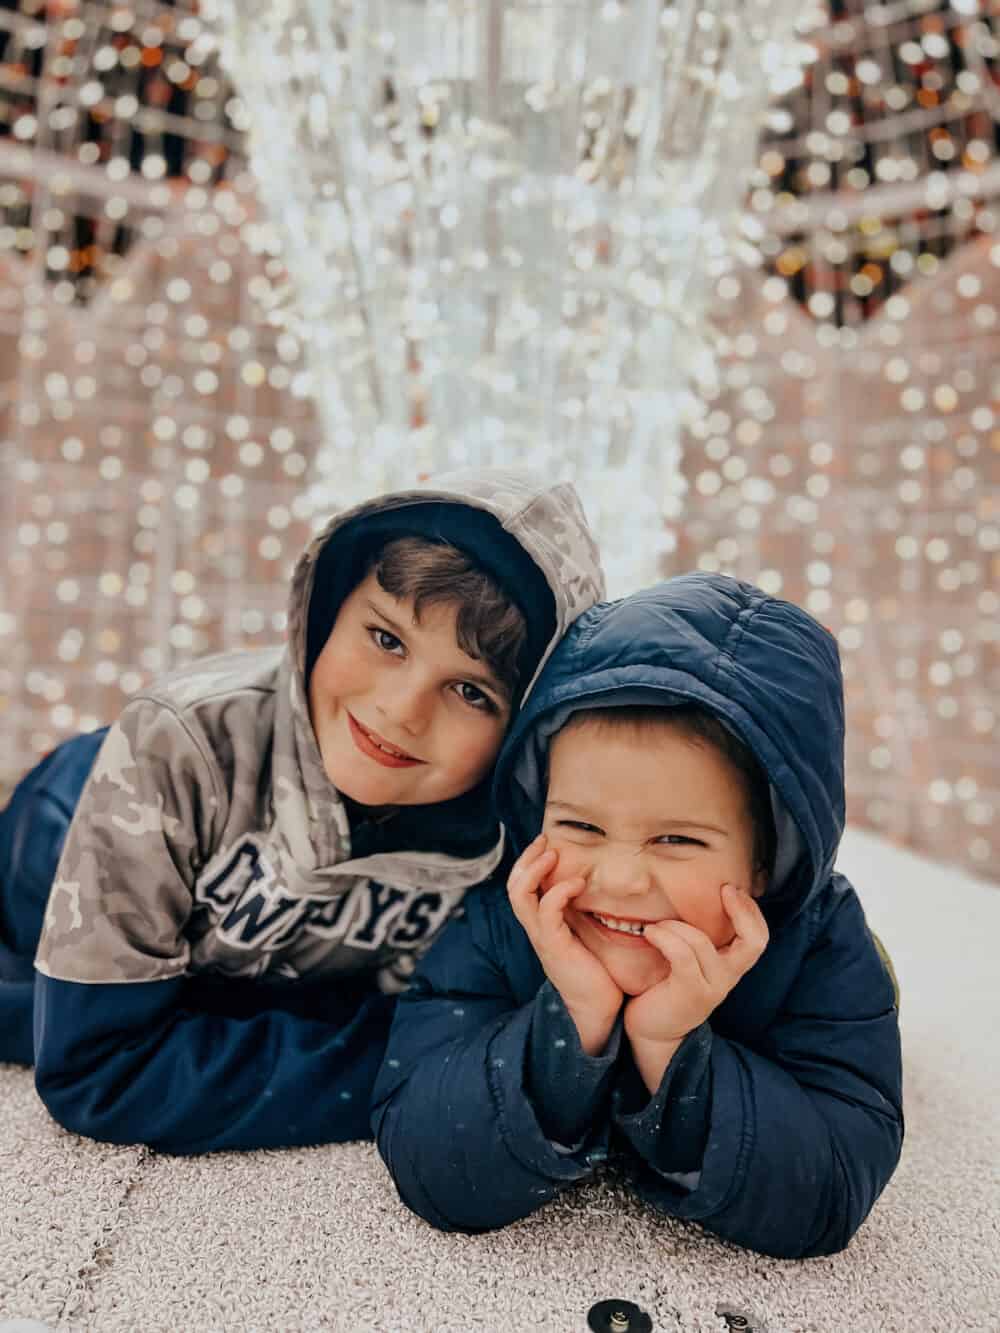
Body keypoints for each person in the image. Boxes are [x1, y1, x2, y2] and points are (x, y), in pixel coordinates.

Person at [0, 468, 605, 1153]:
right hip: (68, 817)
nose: (400, 710)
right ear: (327, 610)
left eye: (470, 690)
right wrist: (404, 1061)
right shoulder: (178, 740)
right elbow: (95, 1068)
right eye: (386, 638)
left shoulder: (506, 841)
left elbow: (485, 1028)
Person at [372, 572, 904, 1258]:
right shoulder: (504, 920)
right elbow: (424, 1148)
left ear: (766, 860)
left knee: (883, 991)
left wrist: (669, 1048)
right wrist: (573, 1022)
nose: (619, 880)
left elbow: (829, 1189)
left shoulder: (820, 949)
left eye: (676, 839)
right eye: (582, 826)